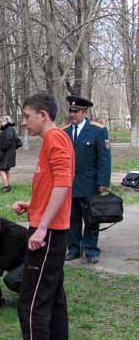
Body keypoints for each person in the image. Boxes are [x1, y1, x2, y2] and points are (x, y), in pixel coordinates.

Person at [9, 92, 74, 340]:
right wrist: (32, 206)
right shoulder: (53, 140)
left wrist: (42, 227)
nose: (24, 123)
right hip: (49, 228)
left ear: (43, 116)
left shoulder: (55, 139)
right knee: (53, 296)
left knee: (32, 304)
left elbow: (63, 184)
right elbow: (50, 186)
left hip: (48, 235)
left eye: (27, 116)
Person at [63, 96, 112, 264]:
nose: (72, 114)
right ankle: (74, 249)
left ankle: (91, 249)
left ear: (85, 112)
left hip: (90, 184)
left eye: (75, 111)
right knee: (72, 218)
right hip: (70, 184)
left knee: (91, 218)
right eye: (70, 111)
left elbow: (104, 159)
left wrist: (103, 182)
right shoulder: (65, 132)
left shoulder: (98, 131)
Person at [0, 115, 21, 193]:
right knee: (6, 169)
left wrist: (4, 150)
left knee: (1, 169)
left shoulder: (9, 129)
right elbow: (18, 142)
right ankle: (7, 185)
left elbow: (9, 141)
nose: (1, 123)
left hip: (5, 154)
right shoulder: (9, 129)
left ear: (7, 121)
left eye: (2, 121)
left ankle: (6, 187)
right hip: (7, 153)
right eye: (1, 122)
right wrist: (12, 149)